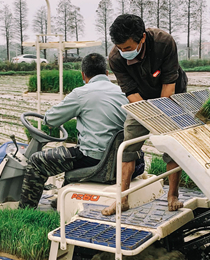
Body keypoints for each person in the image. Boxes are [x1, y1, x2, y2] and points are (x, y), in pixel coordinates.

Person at [101, 14, 188, 216]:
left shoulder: (163, 42)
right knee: (128, 144)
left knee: (172, 142)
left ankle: (172, 195)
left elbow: (168, 83)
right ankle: (122, 199)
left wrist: (162, 117)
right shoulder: (115, 58)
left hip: (171, 93)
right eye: (120, 48)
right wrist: (148, 114)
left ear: (141, 38)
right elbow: (130, 92)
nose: (123, 52)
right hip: (140, 98)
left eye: (128, 48)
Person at [18, 53, 127, 209]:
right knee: (71, 154)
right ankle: (61, 200)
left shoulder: (81, 93)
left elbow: (50, 120)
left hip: (94, 158)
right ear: (107, 73)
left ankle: (25, 211)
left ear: (83, 74)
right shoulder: (122, 92)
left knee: (36, 161)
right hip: (119, 158)